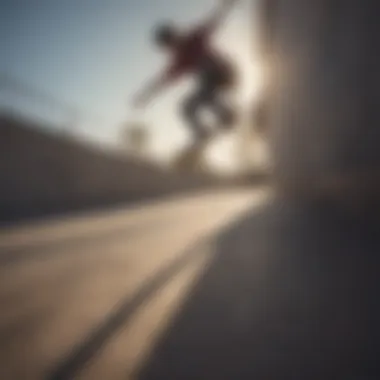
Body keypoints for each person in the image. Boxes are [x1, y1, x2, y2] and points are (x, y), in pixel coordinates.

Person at [132, 0, 239, 145]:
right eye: (169, 47)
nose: (172, 48)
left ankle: (226, 115)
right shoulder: (179, 61)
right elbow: (161, 82)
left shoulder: (195, 37)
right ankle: (203, 132)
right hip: (212, 84)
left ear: (174, 36)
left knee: (204, 76)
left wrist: (227, 4)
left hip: (226, 74)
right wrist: (144, 97)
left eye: (171, 43)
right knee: (185, 108)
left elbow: (215, 18)